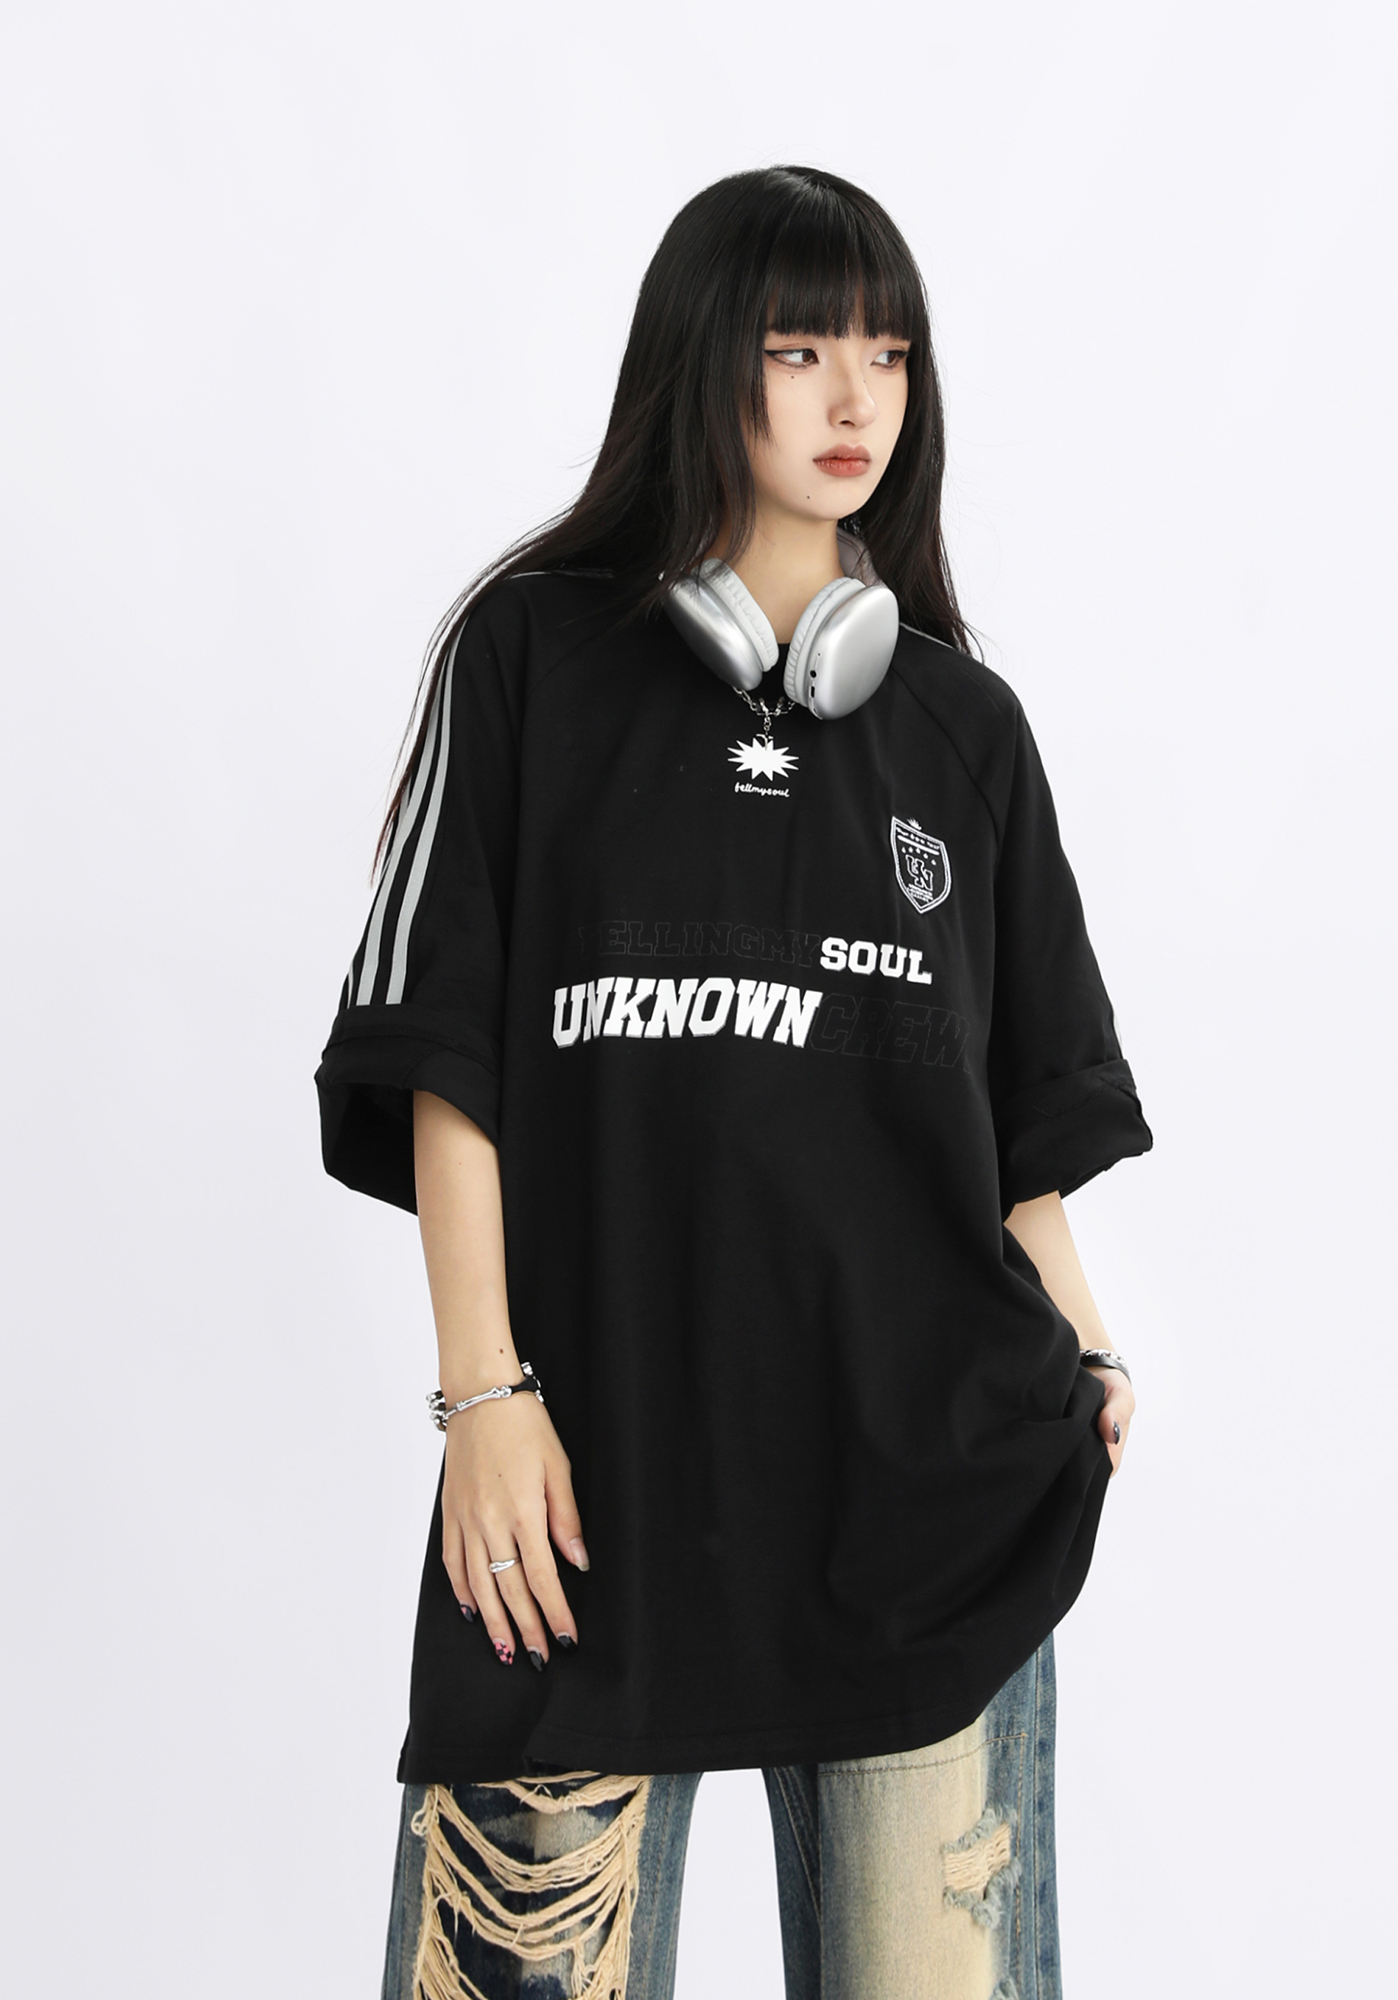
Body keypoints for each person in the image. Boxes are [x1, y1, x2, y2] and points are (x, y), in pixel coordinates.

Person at [316, 164, 1152, 2000]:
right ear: (707, 363)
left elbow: (1021, 1130)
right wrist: (484, 1396)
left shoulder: (966, 735)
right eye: (799, 350)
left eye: (889, 355)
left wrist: (1086, 1350)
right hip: (573, 1518)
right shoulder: (530, 664)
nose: (856, 399)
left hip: (927, 1525)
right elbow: (443, 1064)